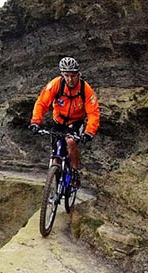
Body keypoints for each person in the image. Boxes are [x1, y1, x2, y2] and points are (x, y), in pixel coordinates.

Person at [29, 57, 100, 187]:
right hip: (59, 120)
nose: (70, 79)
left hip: (76, 121)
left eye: (73, 75)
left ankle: (74, 171)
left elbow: (93, 113)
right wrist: (35, 122)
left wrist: (89, 132)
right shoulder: (56, 84)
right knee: (56, 152)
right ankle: (54, 181)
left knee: (70, 141)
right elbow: (42, 103)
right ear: (62, 75)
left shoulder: (85, 89)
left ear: (78, 74)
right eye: (66, 75)